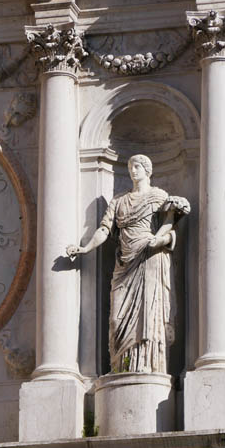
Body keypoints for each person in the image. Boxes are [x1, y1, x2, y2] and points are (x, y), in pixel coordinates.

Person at [67, 154, 189, 374]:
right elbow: (104, 229)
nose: (133, 171)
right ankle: (120, 367)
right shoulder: (119, 200)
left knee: (149, 314)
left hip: (150, 258)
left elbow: (170, 227)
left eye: (137, 167)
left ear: (147, 170)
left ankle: (148, 366)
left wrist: (159, 240)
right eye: (130, 167)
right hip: (125, 261)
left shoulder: (158, 196)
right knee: (117, 319)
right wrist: (85, 248)